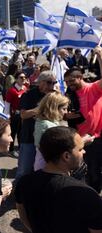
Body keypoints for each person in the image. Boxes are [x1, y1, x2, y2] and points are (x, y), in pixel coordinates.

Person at [15, 126, 102, 233]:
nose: (84, 152)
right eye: (80, 149)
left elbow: (21, 210)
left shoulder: (24, 182)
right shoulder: (86, 194)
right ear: (66, 156)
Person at [64, 47, 102, 192]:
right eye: (66, 81)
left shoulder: (93, 88)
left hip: (98, 137)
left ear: (80, 77)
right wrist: (65, 116)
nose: (69, 84)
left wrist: (100, 57)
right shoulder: (70, 94)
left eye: (72, 80)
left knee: (96, 172)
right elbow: (60, 112)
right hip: (83, 140)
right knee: (90, 172)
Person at [15, 71, 57, 183]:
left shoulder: (54, 96)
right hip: (29, 138)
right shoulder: (28, 95)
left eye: (54, 83)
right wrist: (40, 109)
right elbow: (23, 114)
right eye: (49, 83)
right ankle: (18, 195)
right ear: (41, 82)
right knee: (24, 170)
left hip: (46, 139)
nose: (52, 86)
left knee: (41, 171)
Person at [33, 92, 69, 170]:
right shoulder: (48, 126)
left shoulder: (43, 122)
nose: (66, 112)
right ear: (54, 108)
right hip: (47, 167)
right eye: (64, 109)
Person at [4, 71, 28, 153]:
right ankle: (10, 150)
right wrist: (7, 116)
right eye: (21, 77)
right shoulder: (12, 90)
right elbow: (7, 104)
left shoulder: (25, 88)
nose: (23, 79)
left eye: (24, 77)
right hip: (15, 115)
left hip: (23, 114)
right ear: (16, 79)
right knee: (13, 132)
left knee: (21, 132)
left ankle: (21, 148)